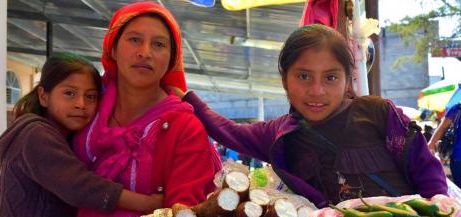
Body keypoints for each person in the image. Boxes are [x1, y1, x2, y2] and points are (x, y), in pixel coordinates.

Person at [176, 24, 447, 207]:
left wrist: (439, 208)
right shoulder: (280, 133)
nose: (316, 91)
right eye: (303, 76)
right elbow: (228, 131)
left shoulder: (378, 112)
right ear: (285, 80)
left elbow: (425, 167)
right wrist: (185, 97)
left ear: (347, 79)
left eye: (330, 77)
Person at [69, 2, 221, 217]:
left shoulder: (185, 128)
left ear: (172, 59)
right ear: (113, 48)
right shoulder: (86, 106)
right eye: (134, 40)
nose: (145, 53)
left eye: (159, 45)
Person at [0, 53, 163, 217]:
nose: (81, 104)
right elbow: (80, 186)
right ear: (44, 96)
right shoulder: (35, 135)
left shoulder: (69, 139)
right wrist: (149, 204)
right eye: (69, 93)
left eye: (91, 96)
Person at [428, 104, 461, 187]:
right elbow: (442, 127)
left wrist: (429, 146)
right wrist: (429, 146)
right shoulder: (457, 108)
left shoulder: (457, 108)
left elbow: (443, 127)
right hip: (457, 158)